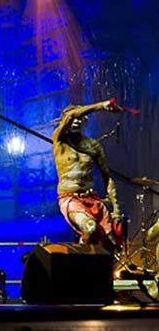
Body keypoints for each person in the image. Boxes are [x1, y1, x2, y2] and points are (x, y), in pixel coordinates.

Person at [53, 100, 123, 250]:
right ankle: (82, 262)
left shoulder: (92, 146)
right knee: (90, 227)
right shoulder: (59, 141)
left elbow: (107, 177)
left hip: (92, 198)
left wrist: (116, 209)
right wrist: (103, 105)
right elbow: (71, 115)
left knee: (110, 242)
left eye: (80, 118)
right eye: (74, 118)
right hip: (70, 198)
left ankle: (98, 268)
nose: (76, 121)